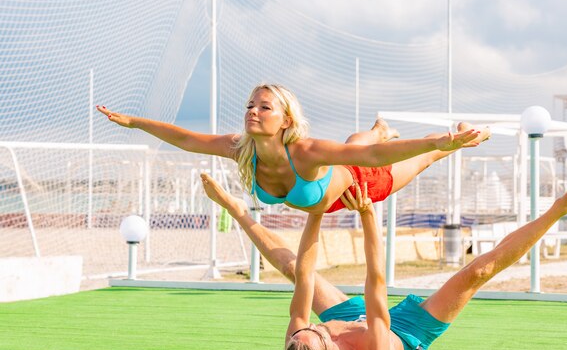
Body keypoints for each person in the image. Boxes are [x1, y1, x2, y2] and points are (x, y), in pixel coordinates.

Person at [199, 165, 567, 350]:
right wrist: (369, 216)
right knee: (479, 270)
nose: (319, 327)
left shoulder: (299, 342)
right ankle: (564, 204)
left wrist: (317, 213)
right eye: (320, 334)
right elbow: (376, 282)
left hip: (361, 315)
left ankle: (233, 208)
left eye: (310, 329)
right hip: (404, 334)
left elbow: (304, 273)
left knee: (289, 268)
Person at [97, 83, 490, 214]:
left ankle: (471, 135)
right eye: (250, 105)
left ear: (285, 119)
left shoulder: (305, 150)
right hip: (331, 185)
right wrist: (136, 122)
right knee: (352, 144)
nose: (253, 111)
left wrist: (438, 141)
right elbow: (186, 139)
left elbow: (371, 159)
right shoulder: (241, 148)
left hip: (361, 185)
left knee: (421, 158)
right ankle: (379, 128)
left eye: (264, 107)